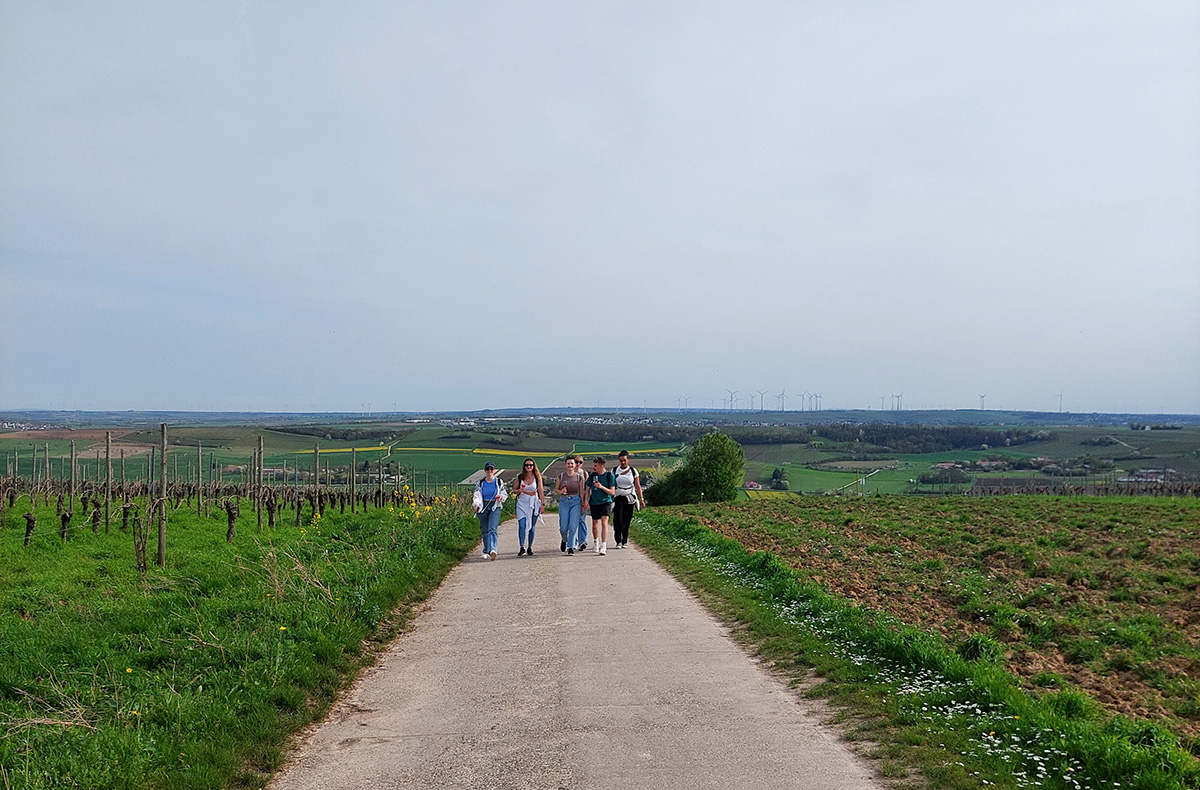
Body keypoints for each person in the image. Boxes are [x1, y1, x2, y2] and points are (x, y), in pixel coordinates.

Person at [472, 463, 506, 560]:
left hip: (495, 506)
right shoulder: (481, 483)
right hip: (483, 507)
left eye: (491, 469)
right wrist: (476, 505)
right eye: (488, 469)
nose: (490, 471)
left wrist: (501, 497)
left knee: (492, 528)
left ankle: (493, 549)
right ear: (485, 471)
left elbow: (504, 493)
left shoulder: (499, 482)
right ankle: (486, 550)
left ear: (494, 470)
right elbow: (477, 495)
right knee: (484, 529)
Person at [610, 450, 644, 549]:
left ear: (628, 460)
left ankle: (624, 540)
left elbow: (637, 486)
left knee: (626, 520)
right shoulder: (614, 471)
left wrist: (641, 498)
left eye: (624, 460)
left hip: (629, 497)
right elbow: (611, 484)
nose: (623, 462)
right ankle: (618, 540)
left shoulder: (633, 471)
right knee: (618, 519)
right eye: (621, 461)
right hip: (618, 496)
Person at [584, 456, 616, 555]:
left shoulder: (609, 476)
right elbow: (587, 488)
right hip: (594, 502)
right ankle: (596, 541)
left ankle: (604, 545)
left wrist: (601, 487)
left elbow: (612, 492)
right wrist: (585, 500)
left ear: (602, 466)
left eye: (595, 466)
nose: (594, 468)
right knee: (595, 524)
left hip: (606, 501)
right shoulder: (592, 475)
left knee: (604, 521)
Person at [513, 458, 544, 556]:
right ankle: (522, 546)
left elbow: (541, 491)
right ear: (524, 466)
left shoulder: (537, 477)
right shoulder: (520, 477)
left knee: (532, 526)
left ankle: (530, 546)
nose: (529, 467)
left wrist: (542, 504)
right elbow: (514, 489)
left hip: (533, 502)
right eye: (527, 465)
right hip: (522, 503)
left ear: (534, 466)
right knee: (522, 525)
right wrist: (518, 491)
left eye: (531, 465)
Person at [555, 457, 585, 555]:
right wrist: (561, 492)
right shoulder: (561, 476)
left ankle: (571, 546)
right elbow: (556, 490)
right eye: (568, 463)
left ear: (575, 465)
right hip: (564, 502)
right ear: (565, 465)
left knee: (573, 526)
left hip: (575, 501)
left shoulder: (579, 478)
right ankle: (564, 539)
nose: (570, 465)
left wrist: (583, 504)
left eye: (572, 463)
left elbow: (581, 492)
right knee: (563, 527)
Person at [573, 453, 588, 550]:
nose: (578, 464)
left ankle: (583, 541)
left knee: (581, 520)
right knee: (573, 521)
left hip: (582, 499)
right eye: (576, 462)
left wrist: (585, 501)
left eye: (580, 462)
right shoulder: (569, 473)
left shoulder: (584, 474)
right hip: (572, 498)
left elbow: (587, 488)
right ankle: (573, 542)